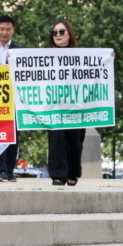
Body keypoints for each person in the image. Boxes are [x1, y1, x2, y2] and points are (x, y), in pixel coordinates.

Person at [47, 20, 84, 187]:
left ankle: (72, 172)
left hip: (76, 105)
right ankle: (58, 175)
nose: (58, 35)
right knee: (57, 138)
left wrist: (107, 59)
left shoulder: (81, 56)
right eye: (55, 33)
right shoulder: (45, 57)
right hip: (54, 106)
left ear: (69, 34)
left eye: (62, 32)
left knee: (75, 140)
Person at [0, 13, 22, 182]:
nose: (4, 32)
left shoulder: (20, 51)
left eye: (8, 29)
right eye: (1, 29)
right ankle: (0, 169)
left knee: (14, 135)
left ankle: (9, 170)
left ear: (13, 30)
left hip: (15, 99)